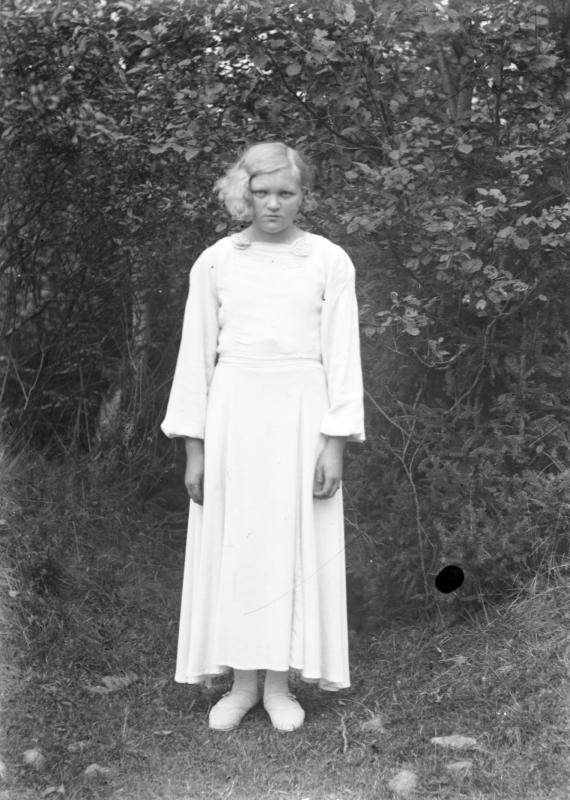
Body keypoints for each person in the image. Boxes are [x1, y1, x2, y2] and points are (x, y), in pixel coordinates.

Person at [161, 141, 365, 733]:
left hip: (302, 416)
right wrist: (195, 448)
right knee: (239, 545)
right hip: (233, 416)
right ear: (243, 195)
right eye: (262, 192)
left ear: (304, 196)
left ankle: (279, 686)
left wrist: (334, 442)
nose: (273, 204)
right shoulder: (216, 262)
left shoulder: (328, 260)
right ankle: (241, 684)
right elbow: (195, 358)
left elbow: (342, 355)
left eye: (286, 193)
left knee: (289, 546)